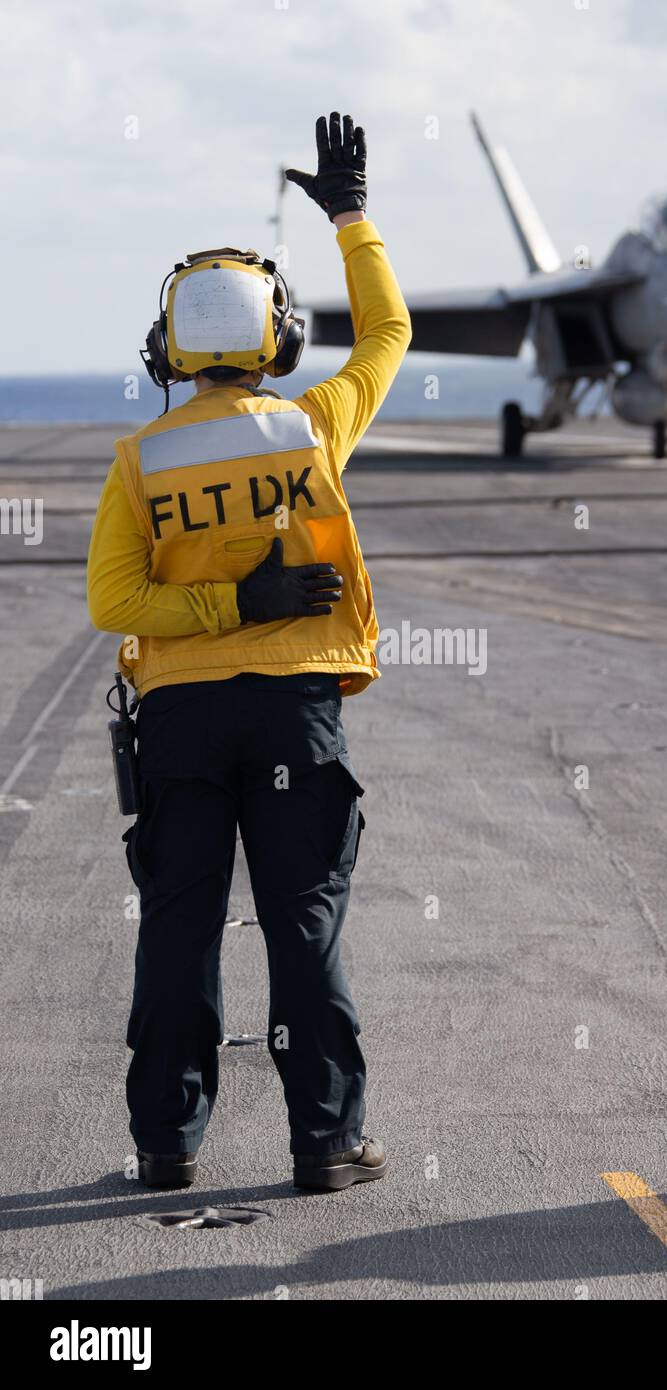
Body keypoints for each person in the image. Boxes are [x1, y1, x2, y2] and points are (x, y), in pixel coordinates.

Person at [87, 112, 411, 1192]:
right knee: (301, 925)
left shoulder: (142, 462)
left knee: (178, 927)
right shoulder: (312, 425)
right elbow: (387, 336)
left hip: (181, 717)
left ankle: (165, 1143)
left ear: (167, 349)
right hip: (293, 711)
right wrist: (350, 217)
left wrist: (220, 601)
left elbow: (114, 599)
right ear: (275, 341)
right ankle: (324, 1142)